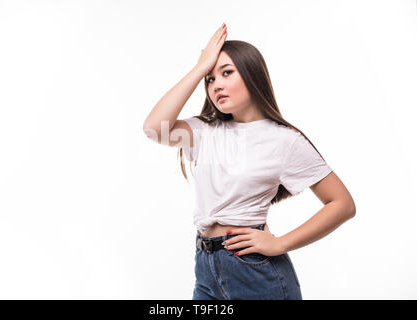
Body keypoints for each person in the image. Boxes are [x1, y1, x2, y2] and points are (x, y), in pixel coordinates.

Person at [142, 23, 356, 300]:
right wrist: (199, 68)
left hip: (254, 270)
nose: (216, 84)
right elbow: (153, 128)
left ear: (252, 74)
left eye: (226, 72)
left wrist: (280, 243)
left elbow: (342, 204)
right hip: (205, 267)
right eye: (210, 79)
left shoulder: (284, 140)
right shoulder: (206, 131)